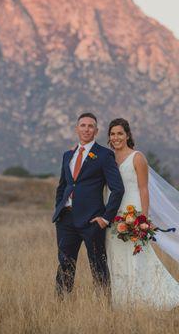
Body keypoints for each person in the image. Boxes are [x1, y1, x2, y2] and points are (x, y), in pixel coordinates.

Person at [105, 117, 179, 309]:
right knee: (116, 254)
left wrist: (142, 219)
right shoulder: (108, 157)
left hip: (132, 211)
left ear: (127, 135)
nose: (116, 137)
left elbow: (144, 189)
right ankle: (121, 301)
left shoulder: (137, 157)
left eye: (120, 133)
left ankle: (143, 297)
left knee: (137, 254)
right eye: (112, 134)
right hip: (112, 212)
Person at [52, 112, 124, 299]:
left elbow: (118, 189)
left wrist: (106, 218)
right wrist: (58, 209)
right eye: (82, 125)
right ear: (77, 129)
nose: (86, 129)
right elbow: (63, 186)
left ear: (96, 131)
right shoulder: (67, 155)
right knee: (65, 264)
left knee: (98, 264)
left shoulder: (104, 155)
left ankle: (103, 304)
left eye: (90, 126)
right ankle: (61, 304)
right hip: (66, 220)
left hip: (92, 221)